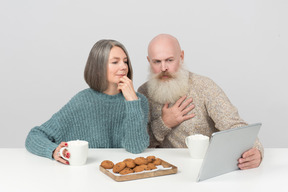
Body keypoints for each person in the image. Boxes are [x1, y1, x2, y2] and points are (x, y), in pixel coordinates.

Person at [138, 34, 263, 170]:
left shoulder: (204, 86)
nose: (163, 68)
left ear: (181, 57)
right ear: (149, 61)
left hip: (207, 168)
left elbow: (235, 125)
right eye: (157, 62)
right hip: (165, 171)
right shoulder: (143, 92)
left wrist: (256, 150)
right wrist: (164, 123)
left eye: (169, 60)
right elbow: (140, 145)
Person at [25, 39, 149, 165]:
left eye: (125, 61)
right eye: (115, 62)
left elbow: (136, 148)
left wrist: (132, 102)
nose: (123, 67)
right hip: (88, 175)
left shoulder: (139, 101)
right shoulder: (82, 101)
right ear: (98, 68)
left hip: (125, 178)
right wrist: (52, 151)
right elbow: (34, 136)